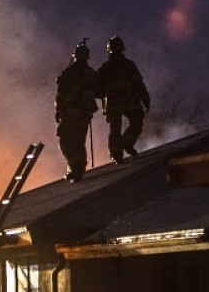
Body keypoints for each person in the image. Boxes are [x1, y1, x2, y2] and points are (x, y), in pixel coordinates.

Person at [95, 35, 150, 164]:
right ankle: (127, 142)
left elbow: (97, 89)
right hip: (129, 101)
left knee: (114, 129)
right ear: (122, 49)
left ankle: (116, 153)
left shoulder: (105, 68)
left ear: (109, 50)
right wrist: (145, 99)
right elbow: (138, 84)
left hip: (112, 105)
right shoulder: (129, 65)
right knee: (136, 122)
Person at [55, 38, 98, 183]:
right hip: (85, 115)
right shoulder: (91, 73)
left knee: (65, 140)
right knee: (79, 142)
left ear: (75, 56)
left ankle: (75, 166)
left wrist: (59, 110)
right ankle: (78, 169)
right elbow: (99, 91)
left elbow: (61, 94)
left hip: (70, 113)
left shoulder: (69, 73)